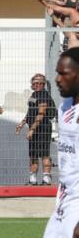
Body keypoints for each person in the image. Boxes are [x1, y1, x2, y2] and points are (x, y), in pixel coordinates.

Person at [44, 47, 79, 237]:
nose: (57, 79)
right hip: (63, 200)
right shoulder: (65, 106)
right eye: (57, 73)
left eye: (64, 74)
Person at [16, 73, 56, 185]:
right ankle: (32, 179)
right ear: (32, 84)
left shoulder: (43, 95)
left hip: (43, 129)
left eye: (41, 83)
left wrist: (32, 129)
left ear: (44, 84)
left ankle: (46, 179)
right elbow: (30, 113)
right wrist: (22, 124)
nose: (38, 85)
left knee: (44, 153)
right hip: (34, 128)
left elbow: (41, 114)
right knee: (33, 154)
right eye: (36, 83)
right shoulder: (34, 95)